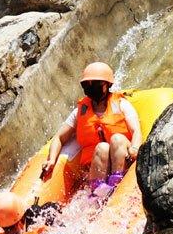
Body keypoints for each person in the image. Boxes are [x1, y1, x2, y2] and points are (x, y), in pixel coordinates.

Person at [40, 62, 141, 195]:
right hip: (97, 167)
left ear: (107, 84)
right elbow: (59, 137)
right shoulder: (80, 111)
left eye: (96, 84)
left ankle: (117, 182)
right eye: (87, 84)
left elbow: (136, 131)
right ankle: (98, 191)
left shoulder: (121, 104)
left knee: (117, 139)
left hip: (123, 158)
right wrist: (52, 160)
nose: (91, 87)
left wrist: (134, 149)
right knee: (102, 148)